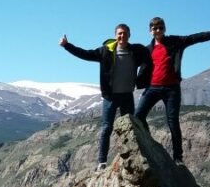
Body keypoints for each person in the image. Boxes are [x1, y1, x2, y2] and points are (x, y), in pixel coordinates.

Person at [135, 17, 210, 165]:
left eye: (160, 27)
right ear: (150, 31)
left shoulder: (175, 42)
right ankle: (148, 141)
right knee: (138, 117)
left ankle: (178, 157)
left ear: (164, 29)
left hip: (171, 89)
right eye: (155, 28)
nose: (158, 30)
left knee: (172, 122)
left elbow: (197, 37)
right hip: (152, 88)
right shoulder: (147, 50)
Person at [60, 24, 150, 171]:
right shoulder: (105, 51)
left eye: (125, 33)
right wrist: (67, 46)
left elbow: (150, 56)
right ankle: (102, 161)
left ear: (129, 35)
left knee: (129, 128)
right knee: (107, 128)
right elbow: (85, 54)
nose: (122, 36)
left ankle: (129, 157)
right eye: (120, 34)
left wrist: (142, 79)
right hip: (111, 97)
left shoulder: (136, 51)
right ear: (115, 35)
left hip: (127, 96)